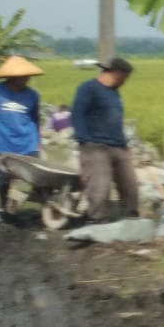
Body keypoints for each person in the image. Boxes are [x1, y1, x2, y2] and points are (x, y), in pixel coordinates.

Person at [71, 57, 139, 222]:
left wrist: (124, 144)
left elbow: (116, 119)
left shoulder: (114, 92)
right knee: (99, 184)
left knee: (129, 183)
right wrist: (85, 140)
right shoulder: (88, 88)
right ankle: (96, 218)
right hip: (95, 146)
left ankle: (130, 214)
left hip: (118, 145)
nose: (125, 82)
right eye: (125, 78)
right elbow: (77, 114)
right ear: (116, 74)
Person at [0, 56, 45, 212]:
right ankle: (6, 208)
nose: (27, 79)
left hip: (28, 143)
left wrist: (39, 141)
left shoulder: (32, 95)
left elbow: (35, 118)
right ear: (13, 77)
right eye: (23, 77)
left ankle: (43, 208)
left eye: (27, 76)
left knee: (39, 178)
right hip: (3, 143)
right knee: (3, 179)